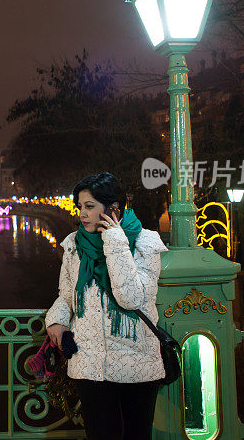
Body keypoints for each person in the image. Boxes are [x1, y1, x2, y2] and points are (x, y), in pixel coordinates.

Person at [46, 172, 168, 440]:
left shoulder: (145, 243)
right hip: (89, 363)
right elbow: (67, 295)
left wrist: (114, 241)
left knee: (137, 435)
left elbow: (132, 298)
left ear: (113, 208)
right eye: (80, 207)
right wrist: (56, 319)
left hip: (137, 362)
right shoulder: (74, 246)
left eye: (89, 207)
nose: (82, 214)